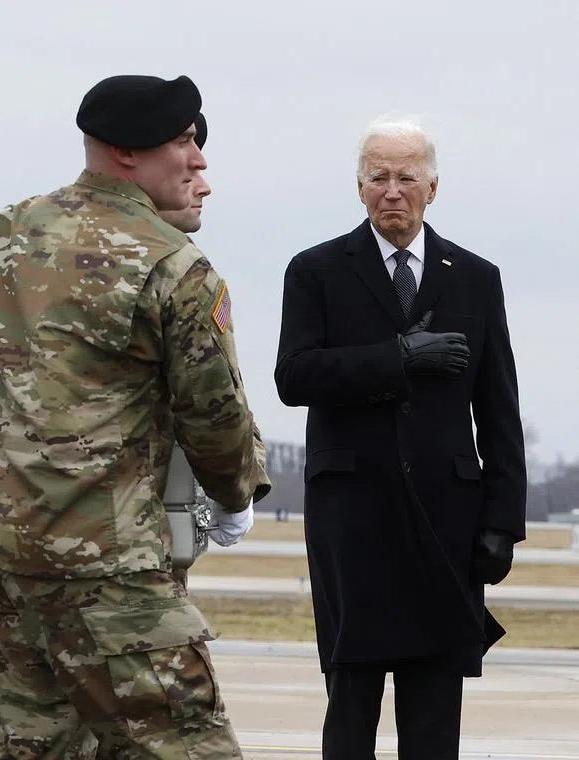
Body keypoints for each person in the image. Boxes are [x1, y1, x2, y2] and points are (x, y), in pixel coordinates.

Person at [0, 74, 270, 759]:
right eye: (184, 140)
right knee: (185, 743)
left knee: (39, 745)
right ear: (128, 151)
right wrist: (236, 491)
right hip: (112, 564)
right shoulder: (173, 265)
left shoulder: (3, 234)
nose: (199, 158)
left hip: (11, 552)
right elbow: (212, 415)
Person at [274, 117, 526, 760]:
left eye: (406, 177)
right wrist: (398, 356)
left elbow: (499, 410)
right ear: (359, 188)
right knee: (351, 699)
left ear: (432, 188)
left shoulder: (474, 276)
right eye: (378, 177)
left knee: (435, 708)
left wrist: (503, 521)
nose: (393, 191)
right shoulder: (317, 270)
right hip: (353, 518)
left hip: (448, 517)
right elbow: (294, 377)